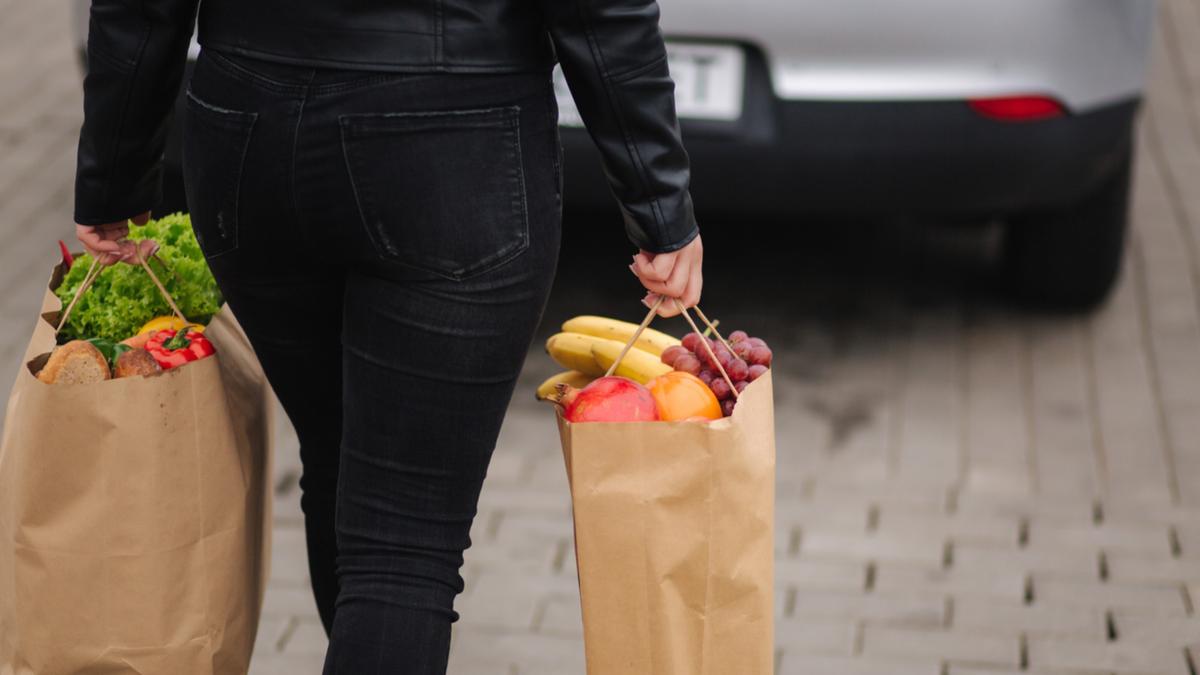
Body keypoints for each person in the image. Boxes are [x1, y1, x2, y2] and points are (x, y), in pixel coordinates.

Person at [73, 0, 703, 671]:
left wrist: (112, 173)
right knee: (402, 545)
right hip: (453, 139)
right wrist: (659, 206)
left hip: (250, 134)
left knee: (339, 458)